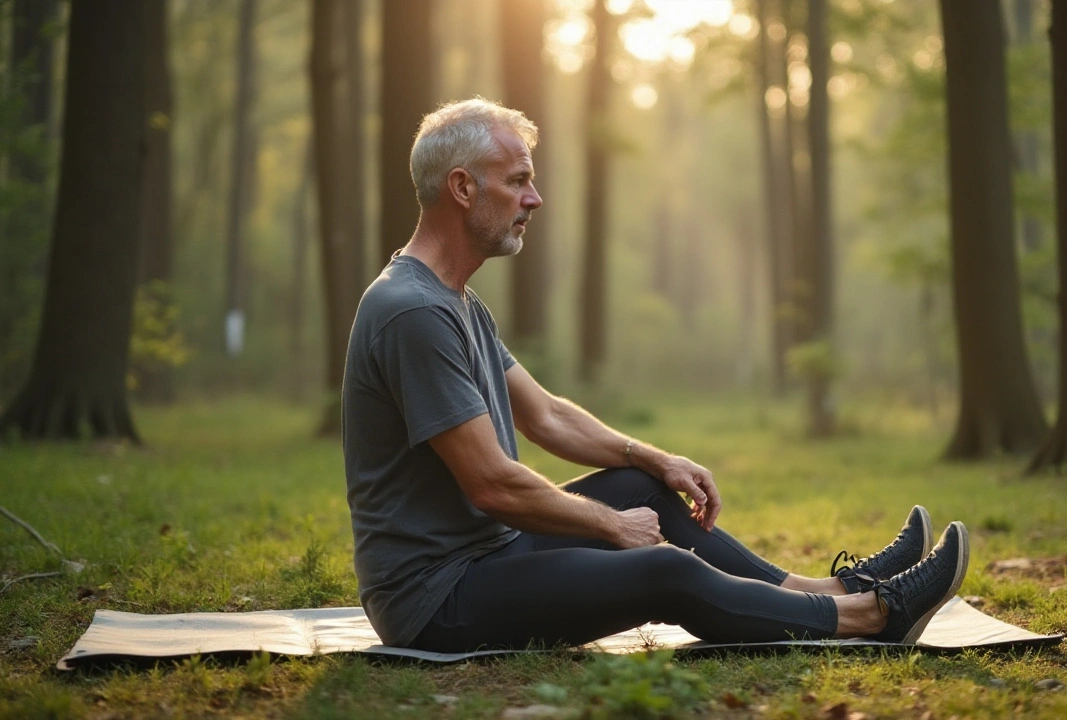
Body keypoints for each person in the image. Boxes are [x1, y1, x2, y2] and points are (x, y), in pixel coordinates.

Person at [341, 98, 969, 653]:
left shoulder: (454, 301)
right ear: (462, 187)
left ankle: (829, 589)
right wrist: (611, 527)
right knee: (666, 571)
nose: (535, 198)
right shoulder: (413, 312)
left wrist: (654, 458)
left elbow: (546, 415)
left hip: (490, 553)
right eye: (519, 180)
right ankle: (871, 614)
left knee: (639, 487)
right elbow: (492, 485)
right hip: (437, 596)